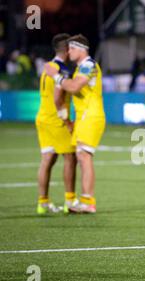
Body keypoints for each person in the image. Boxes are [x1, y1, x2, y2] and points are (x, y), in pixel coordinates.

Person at [44, 34, 106, 213]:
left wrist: (56, 76)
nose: (68, 51)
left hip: (91, 117)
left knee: (84, 156)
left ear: (80, 49)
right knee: (81, 156)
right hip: (82, 118)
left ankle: (88, 201)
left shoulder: (89, 65)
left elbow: (73, 87)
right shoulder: (80, 68)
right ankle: (84, 200)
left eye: (71, 48)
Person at [35, 33, 77, 214]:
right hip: (56, 120)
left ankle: (43, 203)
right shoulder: (61, 70)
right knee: (71, 157)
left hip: (42, 118)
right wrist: (67, 120)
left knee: (47, 159)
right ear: (68, 50)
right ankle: (70, 201)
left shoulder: (47, 67)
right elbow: (58, 98)